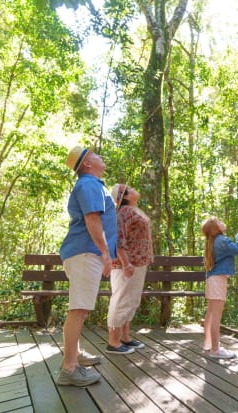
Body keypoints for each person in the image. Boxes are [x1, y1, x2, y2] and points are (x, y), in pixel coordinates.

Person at [57, 145, 117, 387]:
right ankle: (69, 369)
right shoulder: (89, 184)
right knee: (79, 309)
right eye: (94, 154)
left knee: (79, 308)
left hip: (84, 253)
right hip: (85, 252)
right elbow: (92, 219)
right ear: (87, 164)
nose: (100, 155)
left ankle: (76, 355)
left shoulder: (93, 184)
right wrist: (104, 253)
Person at [106, 183, 154, 354]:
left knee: (132, 301)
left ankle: (125, 337)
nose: (134, 189)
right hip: (127, 264)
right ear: (124, 196)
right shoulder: (124, 213)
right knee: (122, 300)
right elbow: (119, 239)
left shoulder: (134, 210)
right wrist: (126, 263)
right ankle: (113, 341)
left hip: (138, 263)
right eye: (130, 188)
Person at [202, 216, 238, 359]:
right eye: (219, 222)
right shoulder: (222, 241)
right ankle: (215, 350)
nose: (222, 222)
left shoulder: (213, 242)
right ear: (215, 229)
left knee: (210, 313)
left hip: (211, 280)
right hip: (218, 281)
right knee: (216, 316)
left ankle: (209, 344)